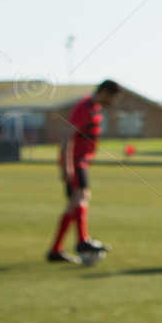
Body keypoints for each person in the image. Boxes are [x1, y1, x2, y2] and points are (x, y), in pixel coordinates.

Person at [47, 80, 120, 263]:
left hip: (81, 162)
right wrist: (67, 166)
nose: (113, 102)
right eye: (113, 97)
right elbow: (67, 136)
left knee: (74, 204)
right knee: (82, 196)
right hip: (76, 162)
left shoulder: (93, 108)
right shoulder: (85, 107)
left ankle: (56, 250)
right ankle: (82, 241)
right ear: (104, 92)